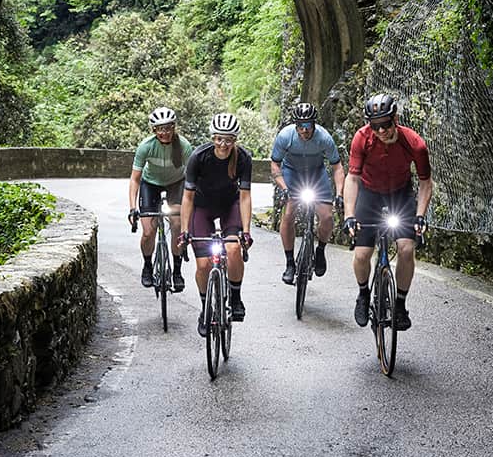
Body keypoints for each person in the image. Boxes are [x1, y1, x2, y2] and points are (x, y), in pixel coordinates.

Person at [341, 93, 432, 331]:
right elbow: (352, 178)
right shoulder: (361, 138)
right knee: (361, 255)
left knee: (406, 248)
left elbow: (425, 182)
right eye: (375, 125)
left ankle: (400, 305)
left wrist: (421, 215)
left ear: (396, 119)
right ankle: (363, 294)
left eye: (386, 124)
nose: (381, 131)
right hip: (369, 195)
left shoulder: (415, 143)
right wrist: (349, 215)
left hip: (400, 195)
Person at [179, 112, 255, 337]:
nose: (224, 144)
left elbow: (245, 196)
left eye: (229, 139)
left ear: (235, 140)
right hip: (202, 207)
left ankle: (235, 296)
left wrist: (247, 232)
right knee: (202, 265)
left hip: (229, 206)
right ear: (213, 138)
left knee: (232, 249)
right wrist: (184, 231)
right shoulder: (199, 156)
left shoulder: (243, 158)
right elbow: (188, 197)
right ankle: (205, 309)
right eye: (220, 139)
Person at [270, 100, 345, 286]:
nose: (305, 130)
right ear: (296, 126)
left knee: (327, 217)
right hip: (292, 173)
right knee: (288, 214)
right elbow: (274, 164)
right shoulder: (285, 136)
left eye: (308, 126)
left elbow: (337, 167)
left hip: (316, 174)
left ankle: (320, 250)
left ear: (314, 124)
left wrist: (340, 194)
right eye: (301, 126)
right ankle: (289, 263)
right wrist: (284, 187)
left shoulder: (324, 138)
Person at [127, 106, 189, 293]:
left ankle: (177, 271)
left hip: (176, 183)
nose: (165, 133)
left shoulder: (184, 146)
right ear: (154, 130)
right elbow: (135, 179)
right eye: (160, 129)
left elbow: (194, 177)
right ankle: (147, 266)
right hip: (150, 184)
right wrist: (132, 208)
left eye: (168, 128)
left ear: (174, 128)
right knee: (148, 231)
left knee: (177, 224)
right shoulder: (146, 146)